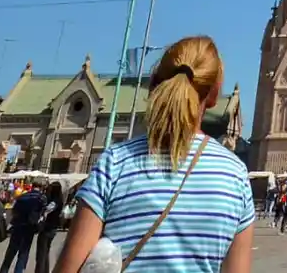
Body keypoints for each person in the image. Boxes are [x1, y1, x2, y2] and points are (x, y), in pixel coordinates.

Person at [53, 35, 256, 273]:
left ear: (154, 84)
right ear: (213, 96)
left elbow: (69, 267)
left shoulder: (114, 162)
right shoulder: (235, 176)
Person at [0, 185, 47, 273]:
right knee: (23, 254)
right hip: (29, 229)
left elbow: (14, 211)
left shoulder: (22, 196)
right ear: (41, 188)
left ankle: (3, 271)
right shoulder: (41, 198)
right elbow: (43, 214)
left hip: (17, 227)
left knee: (10, 253)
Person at [33, 182, 65, 273]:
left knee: (41, 253)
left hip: (48, 228)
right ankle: (45, 270)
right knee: (45, 252)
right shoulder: (59, 199)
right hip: (52, 228)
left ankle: (40, 271)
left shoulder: (55, 201)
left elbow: (47, 210)